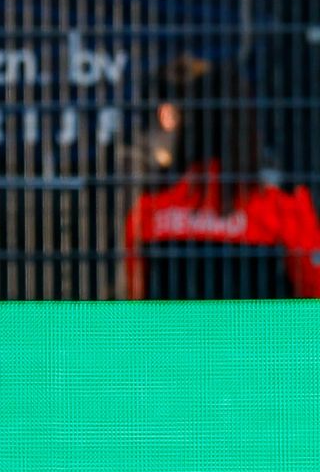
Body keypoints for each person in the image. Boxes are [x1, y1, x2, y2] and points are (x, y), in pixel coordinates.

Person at [124, 56, 320, 300]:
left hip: (174, 338)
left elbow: (134, 301)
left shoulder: (149, 213)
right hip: (258, 337)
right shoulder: (283, 210)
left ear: (185, 126)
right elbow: (313, 295)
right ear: (248, 127)